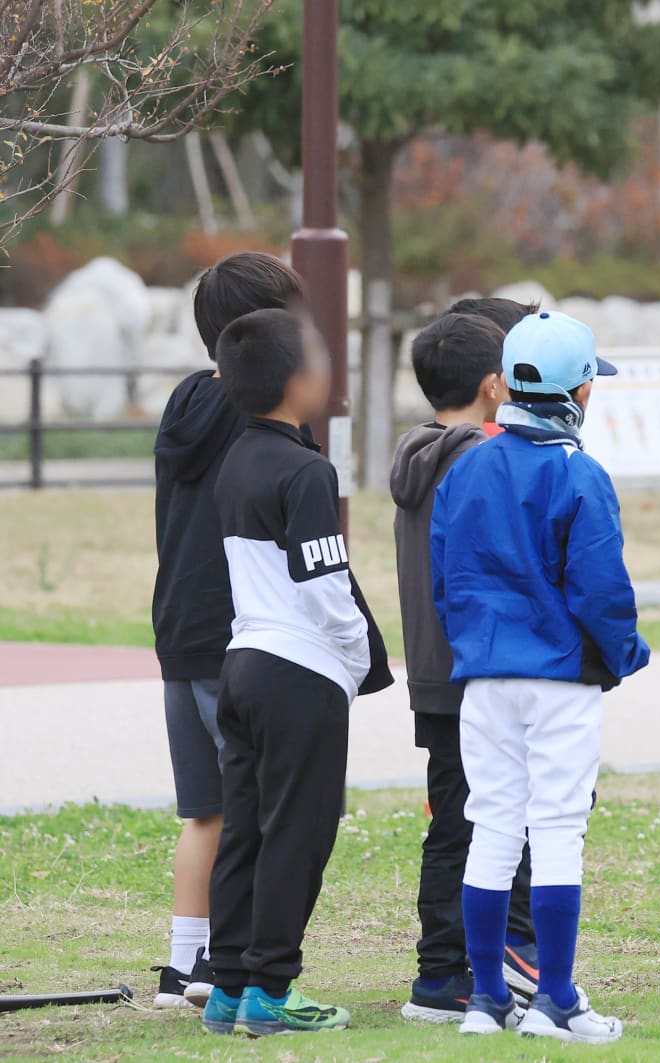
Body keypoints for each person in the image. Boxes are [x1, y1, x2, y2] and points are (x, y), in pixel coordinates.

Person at [431, 310, 651, 1042]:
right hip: (558, 674)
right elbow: (601, 589)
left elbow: (445, 579)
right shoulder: (578, 473)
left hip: (484, 673)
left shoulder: (465, 468)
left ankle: (489, 998)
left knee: (491, 825)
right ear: (580, 394)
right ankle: (555, 997)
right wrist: (624, 652)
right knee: (557, 828)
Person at [200, 308, 393, 1036]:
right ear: (295, 380)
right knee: (298, 831)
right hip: (299, 672)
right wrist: (353, 657)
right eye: (319, 356)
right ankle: (272, 991)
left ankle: (228, 987)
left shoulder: (239, 458)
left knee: (246, 826)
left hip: (242, 662)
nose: (328, 368)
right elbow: (325, 586)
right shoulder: (308, 470)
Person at [149, 252, 304, 1008]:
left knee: (203, 807)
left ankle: (186, 963)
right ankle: (234, 962)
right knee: (253, 806)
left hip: (177, 626)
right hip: (236, 630)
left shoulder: (185, 400)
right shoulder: (258, 412)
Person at [391, 307, 542, 1022]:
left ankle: (448, 966)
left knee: (454, 817)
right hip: (481, 670)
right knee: (489, 820)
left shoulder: (416, 453)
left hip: (432, 673)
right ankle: (466, 969)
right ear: (494, 385)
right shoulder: (483, 458)